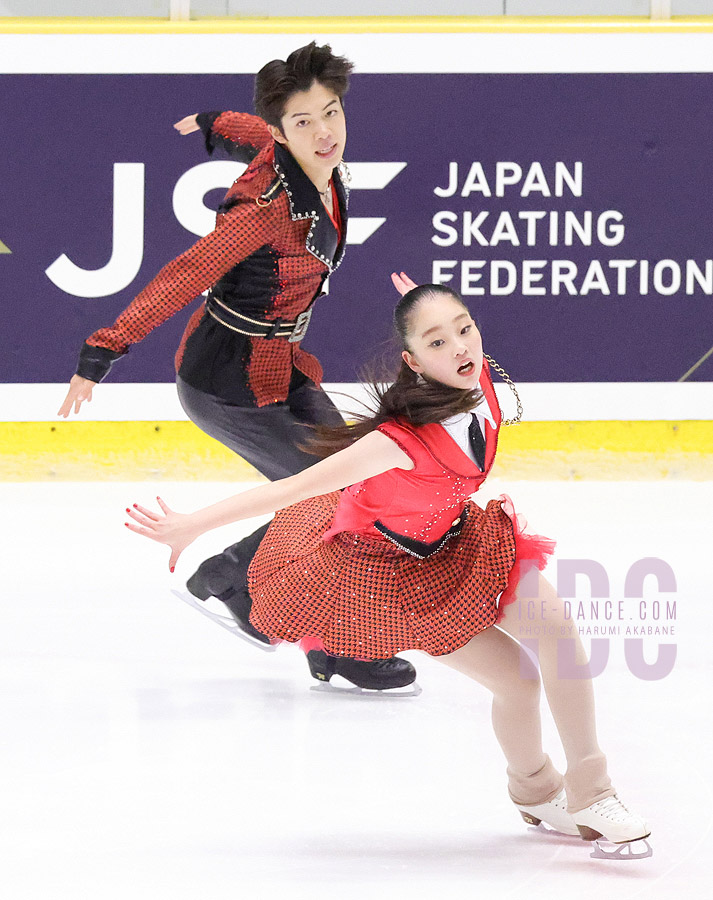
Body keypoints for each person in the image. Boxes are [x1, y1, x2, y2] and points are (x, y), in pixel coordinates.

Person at [125, 282, 652, 858]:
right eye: (436, 340)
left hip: (464, 541)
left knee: (560, 640)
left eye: (464, 327)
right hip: (395, 578)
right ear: (413, 362)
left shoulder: (484, 388)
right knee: (517, 680)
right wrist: (193, 523)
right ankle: (536, 789)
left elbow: (446, 338)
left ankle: (592, 791)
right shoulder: (393, 442)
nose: (460, 346)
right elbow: (296, 486)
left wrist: (420, 300)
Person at [57, 41, 416, 693]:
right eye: (303, 122)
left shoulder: (308, 158)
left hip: (280, 363)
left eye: (329, 112)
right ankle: (269, 601)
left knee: (358, 482)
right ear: (285, 134)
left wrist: (210, 122)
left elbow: (251, 129)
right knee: (329, 494)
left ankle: (283, 612)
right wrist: (102, 348)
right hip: (227, 381)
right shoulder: (264, 211)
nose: (323, 132)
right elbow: (184, 274)